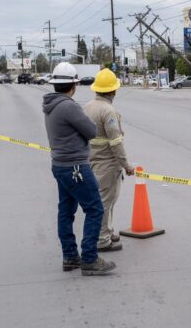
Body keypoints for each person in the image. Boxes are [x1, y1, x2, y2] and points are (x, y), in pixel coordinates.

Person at [42, 62, 116, 276]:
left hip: (60, 165)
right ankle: (90, 259)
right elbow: (91, 131)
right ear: (73, 85)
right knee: (95, 209)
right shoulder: (69, 106)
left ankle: (70, 256)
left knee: (66, 211)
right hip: (76, 167)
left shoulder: (51, 105)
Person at [83, 68, 135, 253]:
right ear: (113, 90)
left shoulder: (87, 107)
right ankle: (103, 240)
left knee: (105, 200)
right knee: (106, 201)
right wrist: (126, 165)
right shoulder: (108, 110)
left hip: (92, 161)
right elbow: (116, 142)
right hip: (107, 164)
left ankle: (107, 231)